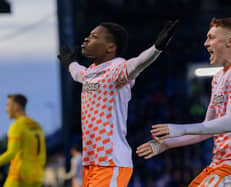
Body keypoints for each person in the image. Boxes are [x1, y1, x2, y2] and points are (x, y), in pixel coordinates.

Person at [137, 17, 231, 187]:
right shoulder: (219, 77)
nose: (205, 43)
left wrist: (180, 129)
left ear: (229, 41)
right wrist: (166, 144)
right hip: (219, 166)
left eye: (211, 37)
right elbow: (206, 128)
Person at [58, 20, 179, 186]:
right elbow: (77, 73)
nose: (86, 39)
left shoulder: (117, 70)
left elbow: (138, 63)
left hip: (110, 160)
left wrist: (157, 47)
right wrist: (70, 63)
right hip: (91, 162)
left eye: (94, 37)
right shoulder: (90, 73)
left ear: (110, 48)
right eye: (88, 36)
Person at [0, 94, 46, 187]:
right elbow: (42, 154)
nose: (6, 109)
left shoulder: (17, 126)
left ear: (16, 106)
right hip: (37, 176)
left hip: (19, 176)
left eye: (8, 105)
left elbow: (11, 153)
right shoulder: (37, 125)